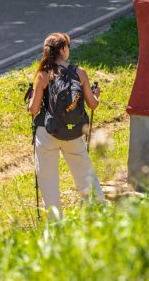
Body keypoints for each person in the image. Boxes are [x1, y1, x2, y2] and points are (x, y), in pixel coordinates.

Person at [28, 32, 105, 218]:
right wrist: (96, 95)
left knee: (49, 183)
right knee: (85, 177)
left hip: (47, 133)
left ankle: (55, 224)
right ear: (63, 49)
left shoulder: (43, 75)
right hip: (74, 133)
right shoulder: (80, 73)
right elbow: (92, 104)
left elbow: (34, 109)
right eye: (68, 46)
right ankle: (100, 216)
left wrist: (31, 98)